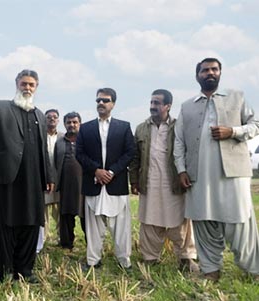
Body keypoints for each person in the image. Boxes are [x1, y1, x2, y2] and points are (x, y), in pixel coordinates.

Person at [174, 57, 259, 281]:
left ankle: (253, 270)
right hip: (198, 175)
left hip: (232, 175)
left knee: (239, 222)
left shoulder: (237, 97)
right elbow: (179, 142)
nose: (209, 73)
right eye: (205, 70)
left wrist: (233, 132)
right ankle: (210, 270)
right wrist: (181, 170)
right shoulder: (187, 106)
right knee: (203, 221)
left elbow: (256, 125)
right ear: (197, 76)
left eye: (214, 69)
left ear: (220, 73)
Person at [0, 69, 55, 282]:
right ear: (17, 84)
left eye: (31, 84)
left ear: (36, 86)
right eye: (24, 84)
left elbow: (43, 149)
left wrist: (49, 176)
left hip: (32, 180)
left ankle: (25, 270)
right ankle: (4, 270)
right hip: (8, 178)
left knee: (31, 224)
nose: (27, 88)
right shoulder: (1, 107)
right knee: (6, 225)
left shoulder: (39, 114)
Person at [130, 90, 199, 272]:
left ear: (168, 106)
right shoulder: (141, 128)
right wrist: (134, 181)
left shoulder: (179, 127)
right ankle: (150, 257)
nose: (152, 106)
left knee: (180, 219)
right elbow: (135, 158)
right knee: (149, 219)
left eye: (157, 103)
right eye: (151, 102)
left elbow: (188, 153)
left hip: (173, 182)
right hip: (150, 181)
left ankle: (186, 258)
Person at [76, 88, 135, 271]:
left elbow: (130, 152)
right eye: (98, 100)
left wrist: (111, 172)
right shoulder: (85, 128)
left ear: (113, 104)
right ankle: (93, 261)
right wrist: (96, 170)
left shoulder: (124, 126)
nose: (101, 103)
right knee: (93, 227)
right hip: (93, 183)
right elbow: (80, 153)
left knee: (121, 227)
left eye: (105, 100)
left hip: (115, 183)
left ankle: (124, 261)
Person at [55, 112, 86, 250]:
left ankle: (91, 244)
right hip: (66, 184)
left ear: (80, 123)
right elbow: (56, 162)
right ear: (64, 124)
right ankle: (66, 244)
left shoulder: (86, 140)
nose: (72, 125)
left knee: (86, 216)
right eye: (69, 122)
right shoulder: (60, 142)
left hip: (84, 185)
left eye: (75, 122)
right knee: (66, 215)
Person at [41, 109, 63, 245]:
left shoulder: (63, 137)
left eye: (55, 117)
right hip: (43, 179)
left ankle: (61, 238)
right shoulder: (40, 136)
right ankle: (42, 240)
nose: (52, 119)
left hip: (60, 179)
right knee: (43, 213)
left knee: (59, 211)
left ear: (58, 120)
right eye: (49, 117)